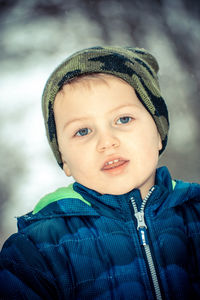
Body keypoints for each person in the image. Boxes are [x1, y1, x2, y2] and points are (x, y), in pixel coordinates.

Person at [0, 46, 200, 300]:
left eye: (123, 119)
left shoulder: (195, 213)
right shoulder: (37, 250)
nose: (107, 142)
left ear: (158, 132)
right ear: (65, 160)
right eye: (83, 131)